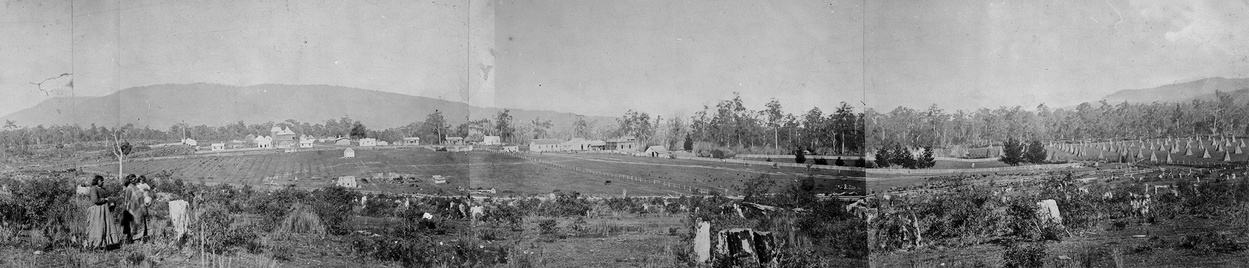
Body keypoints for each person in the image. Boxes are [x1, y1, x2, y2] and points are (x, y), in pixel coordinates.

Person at [84, 175, 121, 249]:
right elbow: (95, 200)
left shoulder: (102, 189)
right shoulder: (93, 189)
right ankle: (96, 244)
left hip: (104, 209)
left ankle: (105, 243)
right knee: (98, 226)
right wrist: (105, 199)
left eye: (103, 180)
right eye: (101, 180)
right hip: (97, 210)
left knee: (105, 225)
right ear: (97, 181)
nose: (102, 182)